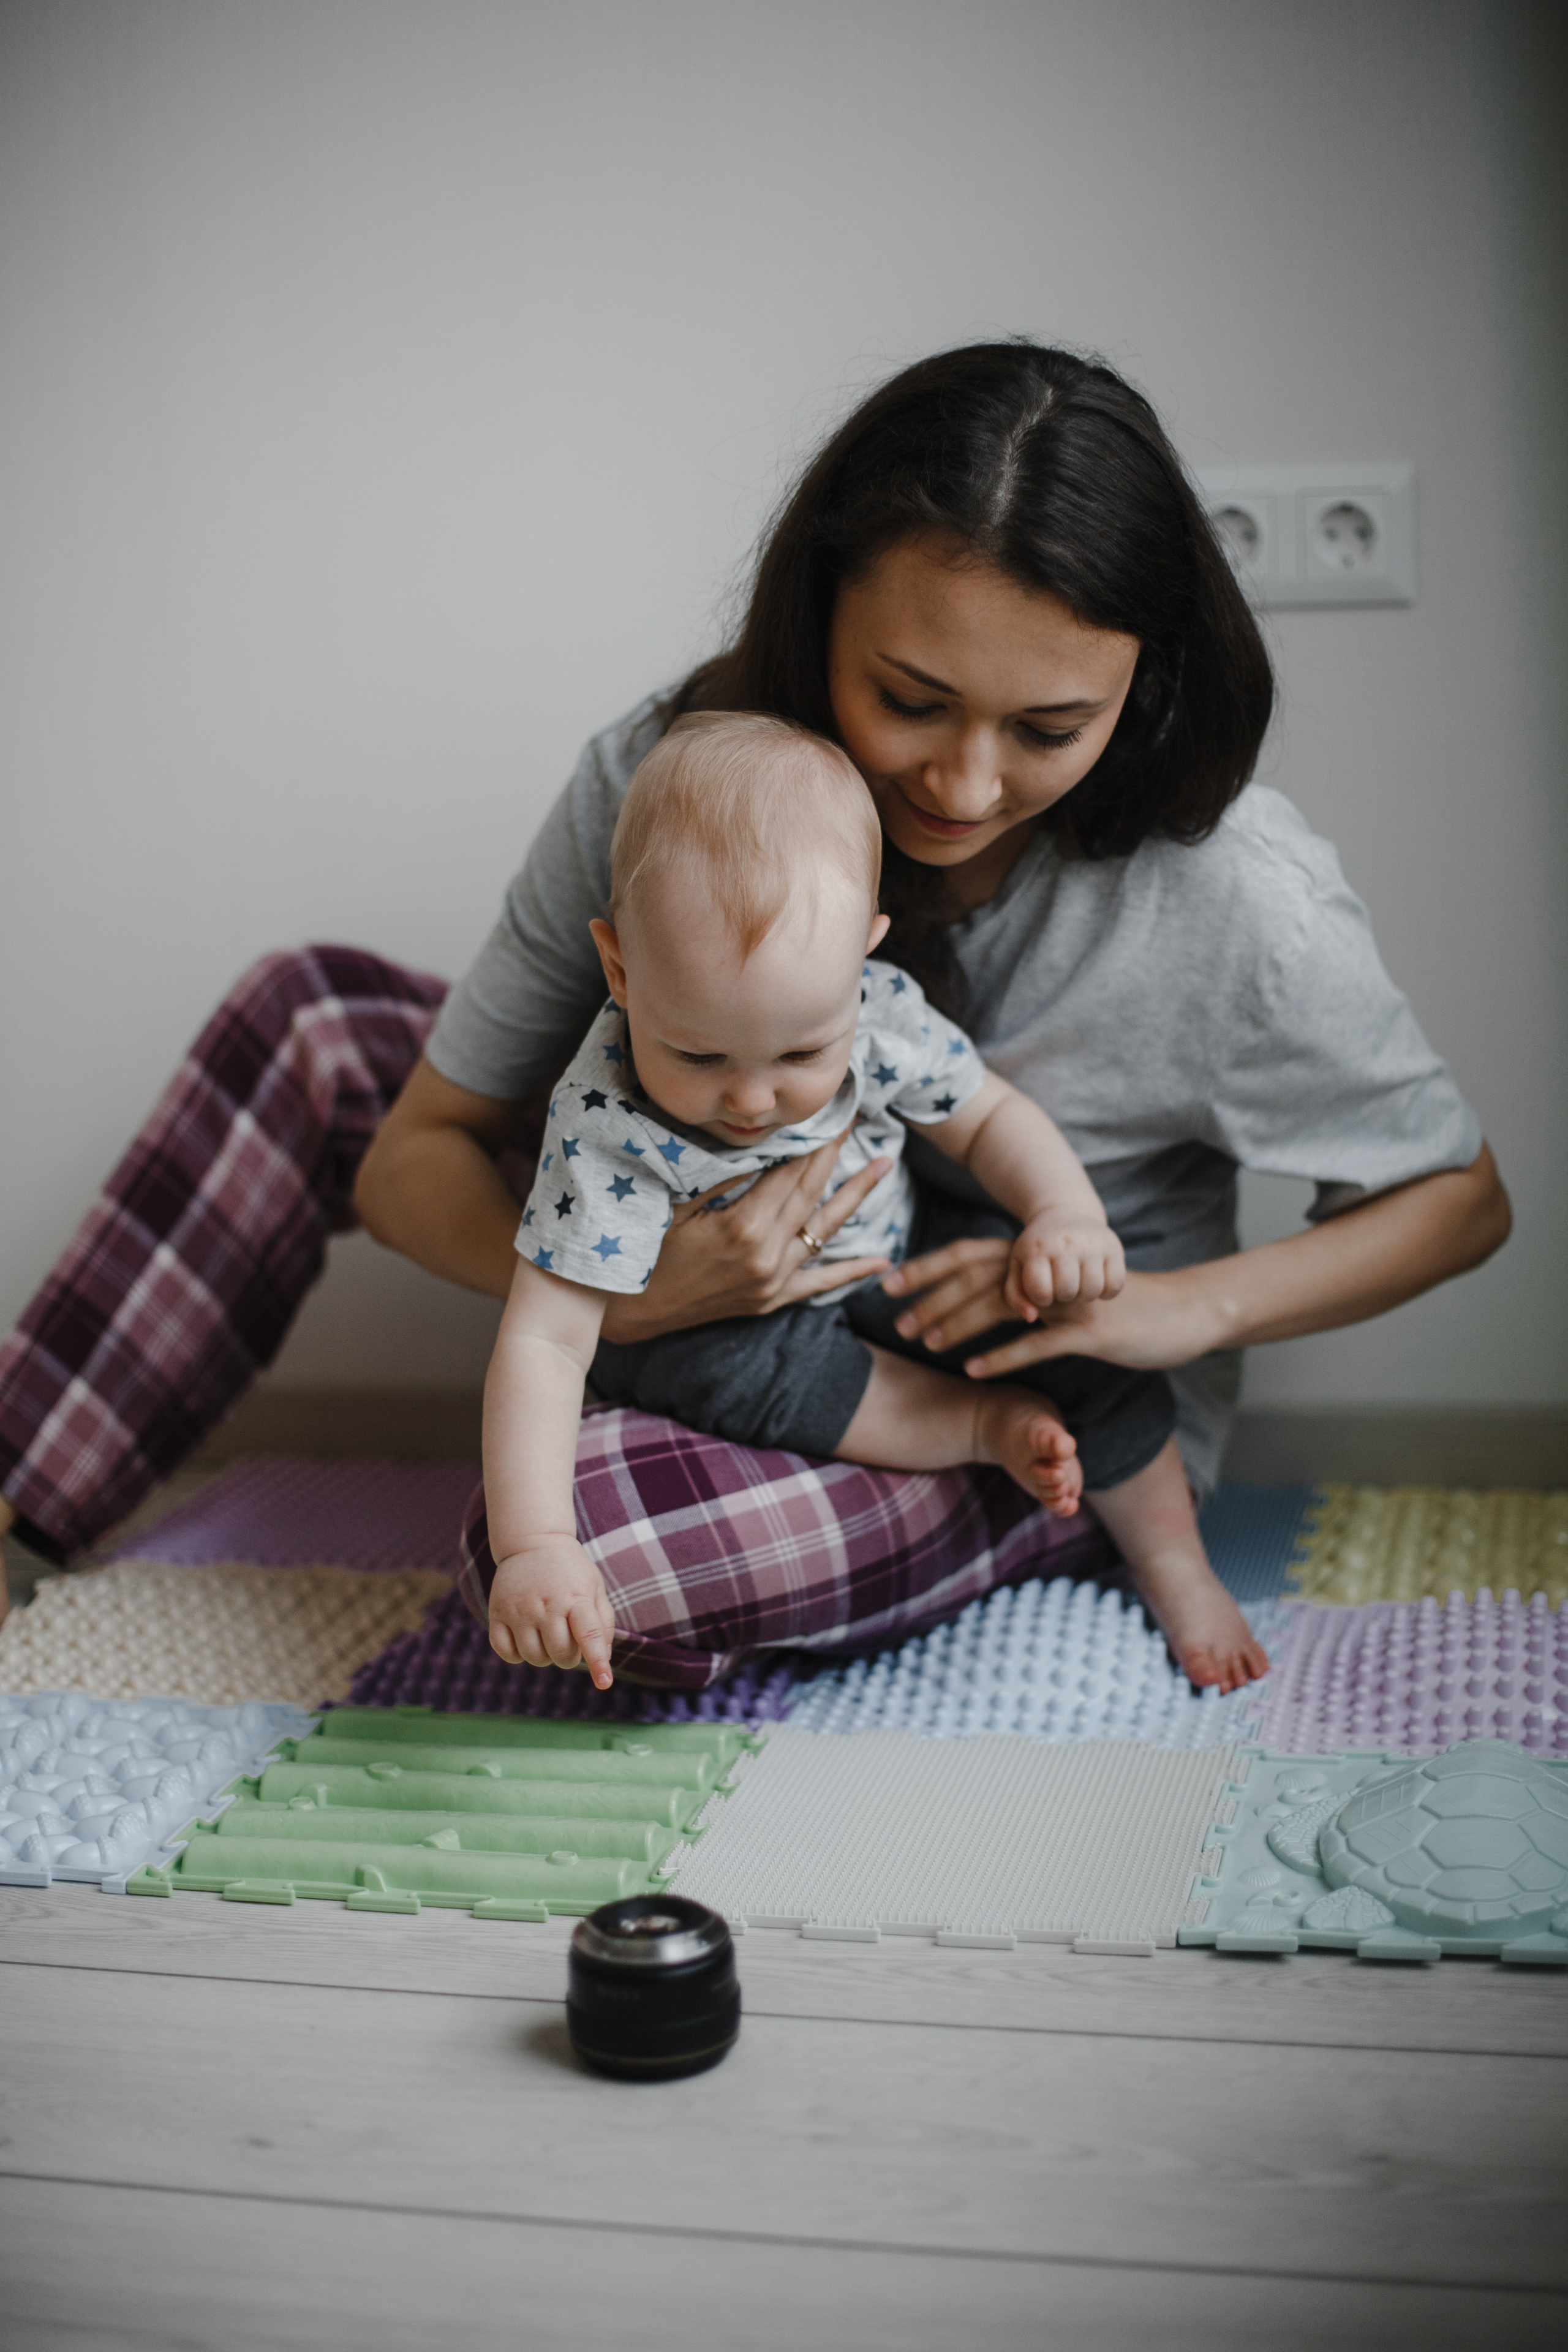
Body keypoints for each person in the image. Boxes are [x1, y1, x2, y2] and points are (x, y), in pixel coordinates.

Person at [0, 342, 1509, 1683]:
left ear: (1140, 687)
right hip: (673, 1275)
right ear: (818, 618)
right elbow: (414, 1153)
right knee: (315, 1021)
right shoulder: (668, 784)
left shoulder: (1234, 895)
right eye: (908, 700)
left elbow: (1454, 1201)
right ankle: (15, 1511)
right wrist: (640, 1298)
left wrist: (1153, 1310)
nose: (964, 788)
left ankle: (929, 1491)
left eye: (1048, 729)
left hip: (1009, 1383)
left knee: (601, 1552)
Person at [484, 710, 1265, 1692]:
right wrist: (537, 1545)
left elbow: (988, 1122)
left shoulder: (882, 1011)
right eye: (698, 1054)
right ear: (621, 971)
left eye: (803, 1052)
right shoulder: (599, 1118)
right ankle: (979, 1430)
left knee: (1069, 1330)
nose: (753, 1100)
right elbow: (546, 1342)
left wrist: (1065, 1216)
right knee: (717, 1370)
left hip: (892, 1256)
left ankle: (1177, 1570)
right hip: (726, 1333)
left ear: (866, 952)